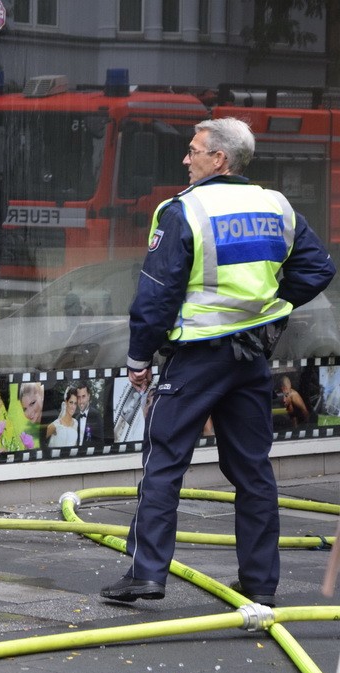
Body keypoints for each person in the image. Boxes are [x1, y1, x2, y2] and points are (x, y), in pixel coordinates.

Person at [100, 117, 335, 606]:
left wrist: (139, 356)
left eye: (193, 151)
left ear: (218, 159)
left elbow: (156, 295)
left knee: (164, 463)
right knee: (253, 471)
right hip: (250, 358)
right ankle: (260, 584)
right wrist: (272, 306)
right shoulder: (277, 205)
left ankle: (147, 574)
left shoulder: (185, 210)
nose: (186, 159)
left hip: (198, 358)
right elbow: (318, 267)